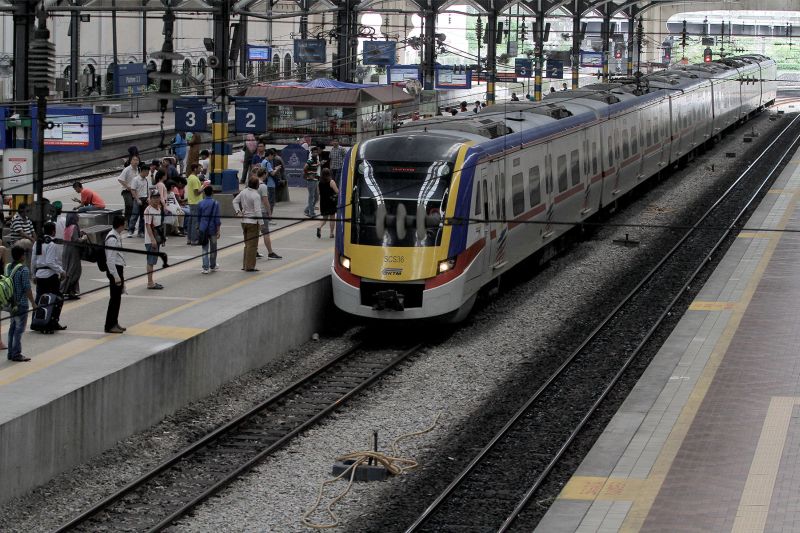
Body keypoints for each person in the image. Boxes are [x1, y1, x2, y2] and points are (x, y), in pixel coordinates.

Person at [32, 221, 66, 331]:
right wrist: (61, 271)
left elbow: (33, 261)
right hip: (50, 276)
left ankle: (35, 322)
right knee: (57, 299)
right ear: (53, 231)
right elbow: (50, 262)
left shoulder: (37, 243)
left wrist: (33, 275)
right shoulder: (51, 244)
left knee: (38, 299)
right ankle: (53, 322)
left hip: (39, 275)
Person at [6, 246, 36, 362]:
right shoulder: (23, 269)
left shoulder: (8, 267)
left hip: (11, 304)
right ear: (22, 256)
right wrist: (33, 303)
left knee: (12, 328)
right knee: (19, 329)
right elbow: (27, 288)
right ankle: (16, 353)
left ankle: (10, 352)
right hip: (21, 303)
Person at [233, 176, 264, 272]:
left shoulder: (244, 191)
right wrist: (262, 223)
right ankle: (250, 266)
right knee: (253, 245)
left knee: (247, 244)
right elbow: (258, 211)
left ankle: (245, 264)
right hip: (253, 222)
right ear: (256, 185)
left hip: (244, 221)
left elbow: (235, 201)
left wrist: (238, 211)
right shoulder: (256, 195)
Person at [104, 215, 127, 333]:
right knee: (114, 299)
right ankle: (109, 325)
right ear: (121, 225)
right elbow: (110, 259)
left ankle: (115, 322)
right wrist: (116, 276)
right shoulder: (112, 238)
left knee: (117, 299)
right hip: (115, 271)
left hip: (118, 269)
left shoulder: (117, 235)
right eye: (125, 223)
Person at [254, 168, 282, 261]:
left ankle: (254, 251)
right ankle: (270, 253)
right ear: (264, 174)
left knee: (255, 233)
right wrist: (269, 213)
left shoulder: (252, 184)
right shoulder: (263, 186)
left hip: (253, 212)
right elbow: (266, 201)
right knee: (265, 233)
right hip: (262, 212)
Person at [60, 212, 85, 300]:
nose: (78, 216)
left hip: (66, 250)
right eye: (77, 215)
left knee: (67, 270)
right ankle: (63, 290)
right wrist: (83, 239)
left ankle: (70, 291)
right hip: (73, 252)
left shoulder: (67, 227)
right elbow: (76, 240)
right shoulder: (74, 227)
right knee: (74, 271)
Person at [197, 186, 221, 274]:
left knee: (204, 248)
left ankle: (205, 267)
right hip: (213, 229)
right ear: (212, 193)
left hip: (203, 228)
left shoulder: (200, 203)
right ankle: (213, 265)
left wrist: (199, 227)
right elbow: (217, 219)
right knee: (213, 248)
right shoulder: (216, 203)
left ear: (204, 193)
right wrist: (218, 230)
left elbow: (198, 217)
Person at [144, 191, 165, 290]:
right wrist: (152, 240)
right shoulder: (148, 210)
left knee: (153, 261)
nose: (156, 199)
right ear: (150, 198)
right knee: (151, 261)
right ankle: (150, 282)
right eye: (154, 197)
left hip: (157, 238)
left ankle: (151, 281)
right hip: (151, 240)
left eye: (158, 197)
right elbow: (148, 225)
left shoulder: (158, 208)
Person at [316, 168, 339, 239]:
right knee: (332, 218)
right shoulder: (331, 182)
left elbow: (319, 193)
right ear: (329, 174)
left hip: (323, 202)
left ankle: (319, 227)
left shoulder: (319, 183)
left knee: (325, 218)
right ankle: (331, 233)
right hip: (331, 202)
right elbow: (337, 191)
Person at [129, 162, 149, 238]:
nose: (148, 173)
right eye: (147, 172)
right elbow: (133, 190)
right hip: (138, 199)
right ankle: (130, 230)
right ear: (143, 171)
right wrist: (137, 199)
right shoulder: (136, 179)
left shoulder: (146, 180)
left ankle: (141, 232)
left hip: (145, 199)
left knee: (143, 217)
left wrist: (148, 198)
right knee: (134, 215)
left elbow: (147, 190)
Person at [117, 154, 139, 226]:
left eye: (137, 160)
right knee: (129, 205)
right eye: (134, 160)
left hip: (134, 191)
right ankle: (126, 222)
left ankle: (131, 223)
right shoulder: (127, 169)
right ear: (130, 161)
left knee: (134, 207)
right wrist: (127, 186)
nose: (136, 161)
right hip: (126, 191)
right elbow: (120, 179)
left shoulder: (138, 169)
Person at [185, 163, 203, 245]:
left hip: (191, 202)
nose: (200, 170)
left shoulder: (190, 177)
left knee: (191, 221)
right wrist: (204, 187)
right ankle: (194, 239)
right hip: (196, 202)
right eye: (199, 168)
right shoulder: (195, 179)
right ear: (195, 169)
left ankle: (189, 239)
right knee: (195, 222)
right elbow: (196, 192)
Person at [261, 149, 282, 219]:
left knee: (266, 201)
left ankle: (266, 217)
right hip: (270, 184)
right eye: (272, 156)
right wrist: (277, 169)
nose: (273, 158)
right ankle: (269, 217)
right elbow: (272, 173)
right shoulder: (268, 163)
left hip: (265, 183)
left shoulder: (263, 162)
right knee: (271, 202)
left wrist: (274, 168)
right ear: (269, 155)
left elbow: (269, 170)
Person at [304, 146, 322, 218]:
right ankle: (311, 213)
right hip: (311, 180)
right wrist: (308, 174)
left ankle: (307, 209)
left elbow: (315, 166)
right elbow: (305, 167)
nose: (315, 154)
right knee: (311, 197)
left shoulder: (315, 160)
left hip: (315, 180)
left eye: (316, 152)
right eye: (314, 152)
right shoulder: (310, 160)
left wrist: (320, 164)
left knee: (317, 197)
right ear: (311, 153)